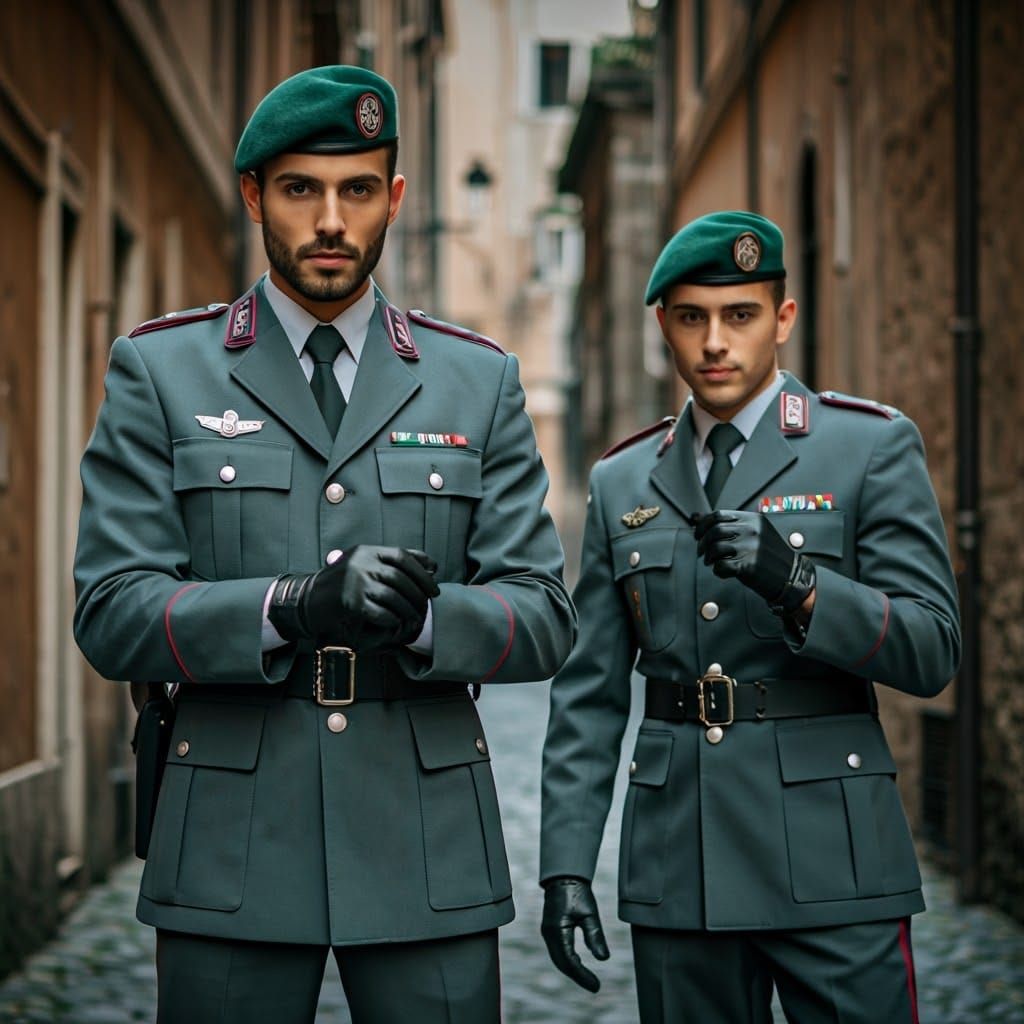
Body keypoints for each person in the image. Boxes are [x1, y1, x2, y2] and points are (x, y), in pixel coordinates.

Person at [74, 65, 575, 1024]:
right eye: (302, 189)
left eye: (356, 190)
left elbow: (544, 617)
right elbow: (111, 612)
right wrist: (289, 607)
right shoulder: (162, 370)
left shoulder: (479, 380)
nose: (331, 222)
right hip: (231, 835)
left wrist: (426, 620)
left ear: (393, 196)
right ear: (257, 195)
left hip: (426, 838)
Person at [539, 210, 960, 1023]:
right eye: (692, 317)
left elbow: (931, 648)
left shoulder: (867, 448)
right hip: (680, 866)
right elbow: (588, 695)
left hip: (832, 859)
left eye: (741, 315)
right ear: (663, 325)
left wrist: (801, 584)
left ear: (784, 319)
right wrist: (566, 865)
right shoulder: (623, 480)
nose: (715, 343)